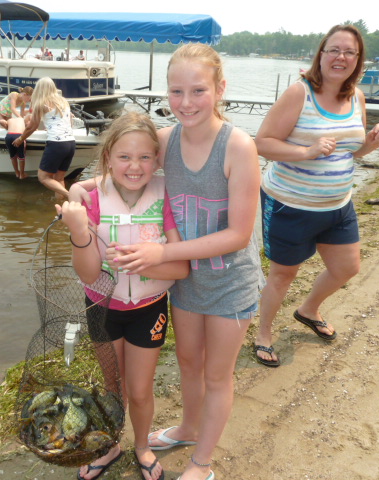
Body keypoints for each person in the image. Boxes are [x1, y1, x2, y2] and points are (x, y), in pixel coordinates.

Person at [70, 43, 264, 480]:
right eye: (176, 92)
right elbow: (127, 162)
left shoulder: (238, 146)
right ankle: (187, 427)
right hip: (184, 282)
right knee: (189, 364)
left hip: (228, 279)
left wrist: (162, 254)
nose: (186, 102)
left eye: (198, 90)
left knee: (217, 375)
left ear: (220, 89)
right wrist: (86, 188)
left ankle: (203, 463)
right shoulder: (165, 140)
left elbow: (239, 233)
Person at [57, 111, 189, 480]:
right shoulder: (92, 200)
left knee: (141, 389)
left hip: (149, 309)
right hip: (102, 308)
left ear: (157, 161)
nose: (135, 166)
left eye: (145, 157)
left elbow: (180, 269)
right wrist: (79, 231)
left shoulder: (166, 197)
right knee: (111, 385)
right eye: (124, 157)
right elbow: (87, 273)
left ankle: (142, 445)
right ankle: (110, 443)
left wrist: (142, 263)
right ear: (108, 159)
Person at [252, 25, 379, 368]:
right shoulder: (300, 93)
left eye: (349, 52)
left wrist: (368, 146)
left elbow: (350, 152)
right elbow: (262, 142)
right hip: (290, 205)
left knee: (347, 267)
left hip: (338, 205)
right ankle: (262, 334)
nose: (341, 57)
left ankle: (308, 310)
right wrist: (307, 151)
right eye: (334, 50)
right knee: (283, 275)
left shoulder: (355, 96)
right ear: (321, 54)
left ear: (358, 60)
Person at [14, 77, 76, 198]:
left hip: (57, 144)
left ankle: (71, 195)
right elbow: (67, 121)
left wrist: (20, 139)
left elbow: (31, 127)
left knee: (43, 177)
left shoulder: (41, 103)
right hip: (70, 142)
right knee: (58, 179)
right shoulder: (63, 101)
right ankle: (60, 207)